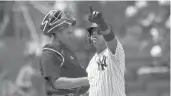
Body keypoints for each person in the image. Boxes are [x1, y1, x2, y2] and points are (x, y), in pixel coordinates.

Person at [39, 9, 89, 96]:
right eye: (68, 33)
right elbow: (57, 83)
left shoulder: (67, 51)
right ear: (58, 33)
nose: (71, 36)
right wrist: (87, 80)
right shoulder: (49, 53)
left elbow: (80, 80)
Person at [86, 6, 126, 96]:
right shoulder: (91, 63)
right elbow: (93, 89)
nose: (94, 34)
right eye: (92, 32)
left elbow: (110, 37)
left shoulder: (113, 52)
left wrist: (101, 23)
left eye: (99, 32)